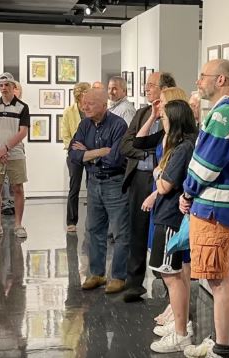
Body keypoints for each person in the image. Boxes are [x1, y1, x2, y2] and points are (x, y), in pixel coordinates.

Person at [180, 59, 229, 358]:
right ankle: (217, 341)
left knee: (218, 279)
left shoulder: (225, 115)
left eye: (204, 76)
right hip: (215, 208)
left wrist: (188, 192)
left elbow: (206, 164)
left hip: (214, 208)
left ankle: (222, 348)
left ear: (222, 80)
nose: (199, 81)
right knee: (218, 277)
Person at [137, 100, 197, 353]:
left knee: (171, 276)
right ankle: (179, 325)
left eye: (164, 118)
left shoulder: (182, 149)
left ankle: (181, 331)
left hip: (171, 217)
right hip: (167, 214)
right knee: (171, 275)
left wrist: (159, 175)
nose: (162, 122)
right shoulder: (179, 147)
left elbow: (164, 185)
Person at [120, 72, 177, 303]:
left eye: (151, 86)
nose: (146, 89)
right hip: (140, 178)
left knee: (162, 230)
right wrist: (147, 152)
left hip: (163, 179)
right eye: (146, 86)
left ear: (164, 89)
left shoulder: (173, 114)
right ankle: (134, 284)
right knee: (136, 230)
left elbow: (171, 148)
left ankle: (166, 282)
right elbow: (126, 145)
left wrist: (152, 153)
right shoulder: (143, 113)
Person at [68, 88, 130, 294]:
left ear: (104, 105)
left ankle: (119, 277)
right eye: (84, 103)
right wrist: (100, 152)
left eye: (90, 104)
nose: (85, 107)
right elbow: (73, 155)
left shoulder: (118, 125)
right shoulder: (84, 124)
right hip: (93, 182)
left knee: (120, 232)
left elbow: (115, 159)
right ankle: (97, 273)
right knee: (94, 230)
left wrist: (87, 153)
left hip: (115, 183)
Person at [0, 72, 29, 239]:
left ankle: (18, 225)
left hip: (15, 154)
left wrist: (6, 148)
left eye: (7, 85)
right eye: (1, 85)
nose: (3, 88)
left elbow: (23, 132)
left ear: (13, 87)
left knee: (18, 188)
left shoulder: (22, 107)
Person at [62, 82, 91, 232]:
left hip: (90, 153)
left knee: (92, 186)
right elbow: (65, 135)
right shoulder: (68, 111)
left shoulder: (92, 110)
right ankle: (71, 221)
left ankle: (92, 221)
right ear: (78, 96)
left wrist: (88, 149)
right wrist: (76, 148)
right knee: (74, 187)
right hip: (74, 154)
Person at [0, 80, 25, 216]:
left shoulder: (22, 108)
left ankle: (15, 202)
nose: (14, 91)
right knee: (4, 177)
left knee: (16, 178)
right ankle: (6, 203)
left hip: (17, 147)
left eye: (17, 89)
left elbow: (23, 130)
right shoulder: (0, 107)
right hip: (3, 146)